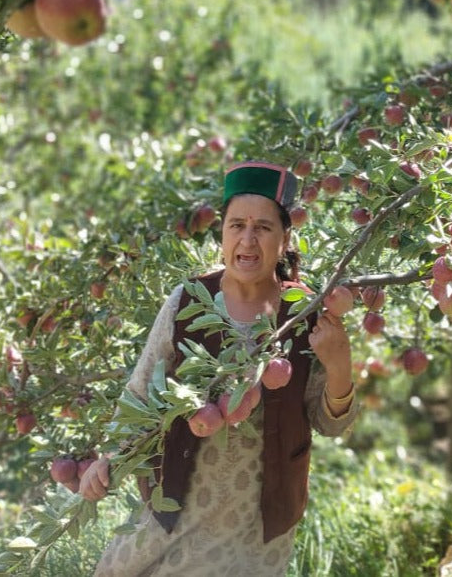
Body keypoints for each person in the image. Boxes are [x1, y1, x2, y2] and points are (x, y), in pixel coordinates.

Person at [80, 160, 358, 577]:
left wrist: (340, 366)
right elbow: (140, 393)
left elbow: (330, 423)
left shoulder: (306, 313)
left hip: (257, 522)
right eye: (236, 225)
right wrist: (111, 457)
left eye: (263, 227)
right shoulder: (187, 300)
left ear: (285, 239)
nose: (248, 239)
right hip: (176, 501)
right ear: (222, 233)